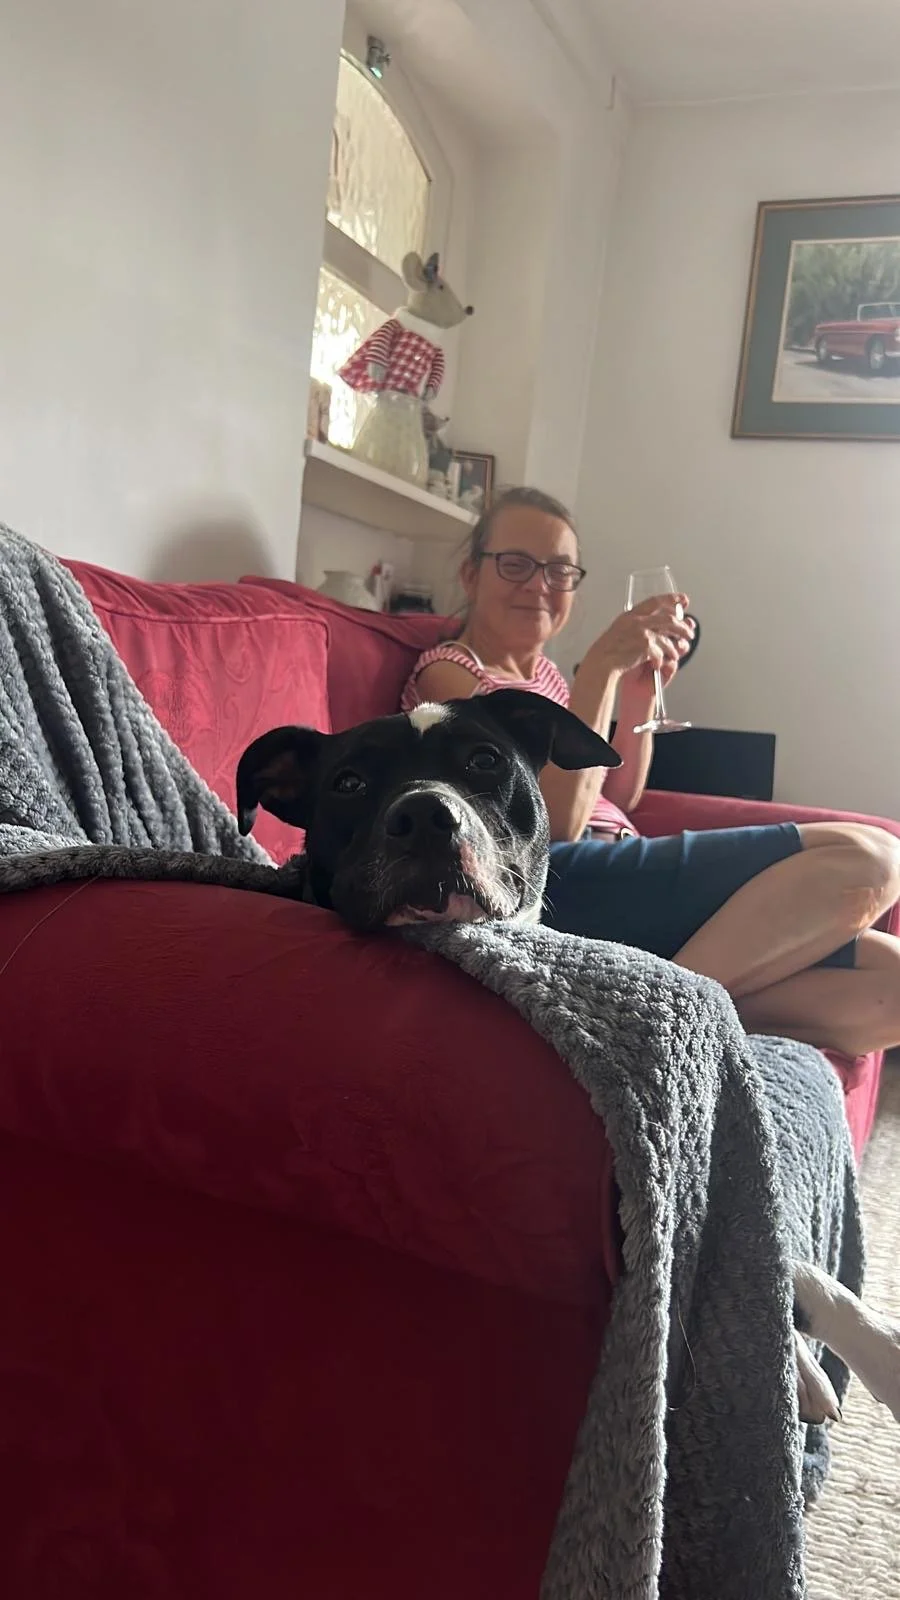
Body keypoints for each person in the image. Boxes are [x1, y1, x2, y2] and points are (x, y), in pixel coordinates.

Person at [400, 486, 900, 1058]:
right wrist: (601, 669)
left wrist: (633, 697)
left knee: (889, 984)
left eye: (559, 571)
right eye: (516, 564)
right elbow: (553, 827)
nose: (539, 585)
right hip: (551, 879)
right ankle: (659, 1010)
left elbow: (618, 796)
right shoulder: (449, 675)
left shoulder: (548, 679)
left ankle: (627, 1010)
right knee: (873, 858)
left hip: (614, 868)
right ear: (470, 575)